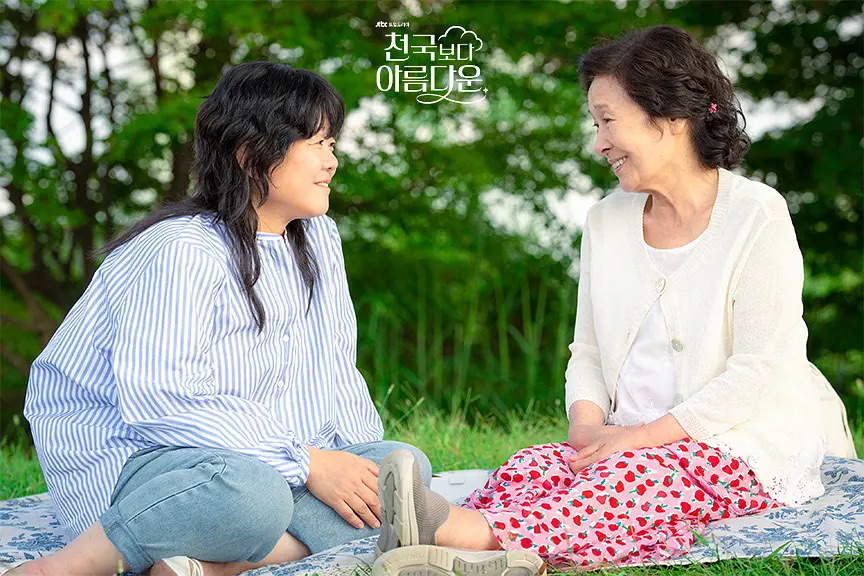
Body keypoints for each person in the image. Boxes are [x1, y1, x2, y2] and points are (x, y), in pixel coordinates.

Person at [371, 25, 856, 575]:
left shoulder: (756, 214)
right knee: (536, 466)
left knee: (637, 479)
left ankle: (462, 536)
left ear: (670, 119)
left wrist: (640, 439)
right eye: (595, 124)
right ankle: (471, 552)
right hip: (631, 436)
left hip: (737, 444)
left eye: (607, 121)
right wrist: (585, 427)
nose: (599, 143)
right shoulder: (605, 219)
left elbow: (758, 371)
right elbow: (590, 352)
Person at [11, 62, 432, 576]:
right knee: (251, 496)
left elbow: (332, 370)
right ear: (250, 152)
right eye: (316, 143)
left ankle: (204, 565)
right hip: (141, 460)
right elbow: (161, 398)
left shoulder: (317, 239)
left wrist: (350, 469)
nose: (332, 161)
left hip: (260, 456)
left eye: (331, 144)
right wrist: (309, 464)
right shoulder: (181, 247)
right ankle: (63, 567)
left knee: (401, 472)